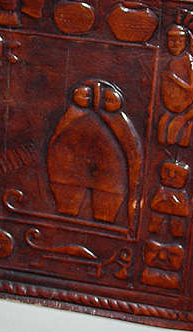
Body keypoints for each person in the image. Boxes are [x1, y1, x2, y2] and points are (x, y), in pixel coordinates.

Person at [47, 81, 142, 225]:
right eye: (85, 95)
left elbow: (133, 155)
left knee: (106, 214)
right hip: (69, 174)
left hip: (110, 179)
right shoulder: (71, 118)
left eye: (109, 99)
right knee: (66, 208)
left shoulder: (120, 124)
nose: (95, 102)